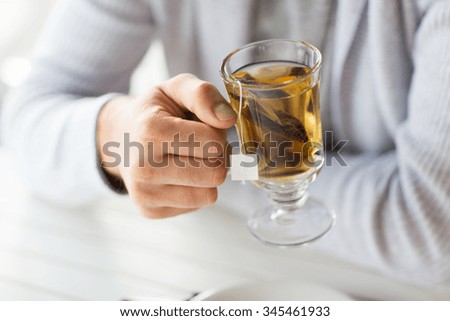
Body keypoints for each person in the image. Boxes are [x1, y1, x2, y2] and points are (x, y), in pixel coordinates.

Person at [1, 0, 449, 286]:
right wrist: (121, 135)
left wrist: (205, 169)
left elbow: (431, 228)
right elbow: (27, 127)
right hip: (213, 263)